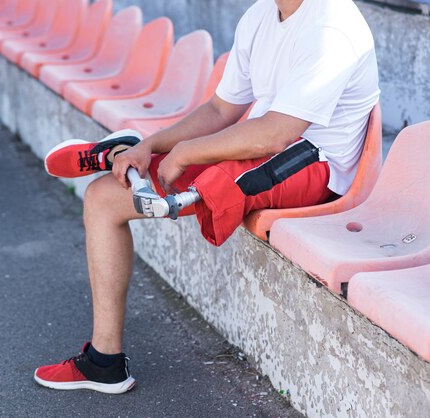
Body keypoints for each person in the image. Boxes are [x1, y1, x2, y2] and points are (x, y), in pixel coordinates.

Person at [34, 0, 380, 394]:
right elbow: (219, 109)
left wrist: (185, 153)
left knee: (214, 182)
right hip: (265, 141)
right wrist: (152, 146)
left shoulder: (331, 26)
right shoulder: (261, 16)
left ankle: (163, 189)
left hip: (312, 164)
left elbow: (278, 133)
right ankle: (105, 362)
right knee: (102, 197)